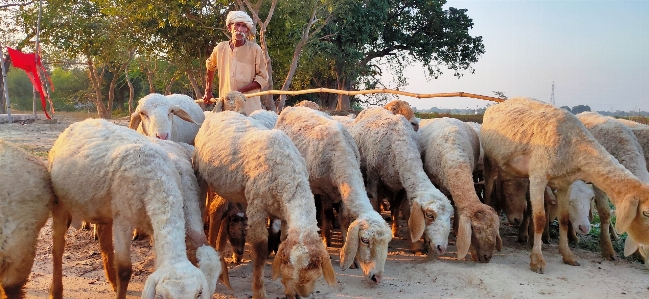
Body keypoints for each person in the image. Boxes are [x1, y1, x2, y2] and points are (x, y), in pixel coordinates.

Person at [202, 11, 269, 115]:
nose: (240, 30)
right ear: (230, 27)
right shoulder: (220, 48)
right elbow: (210, 66)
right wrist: (208, 90)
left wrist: (239, 92)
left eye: (244, 27)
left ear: (247, 31)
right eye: (237, 25)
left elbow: (263, 78)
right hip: (226, 107)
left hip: (250, 109)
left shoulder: (255, 49)